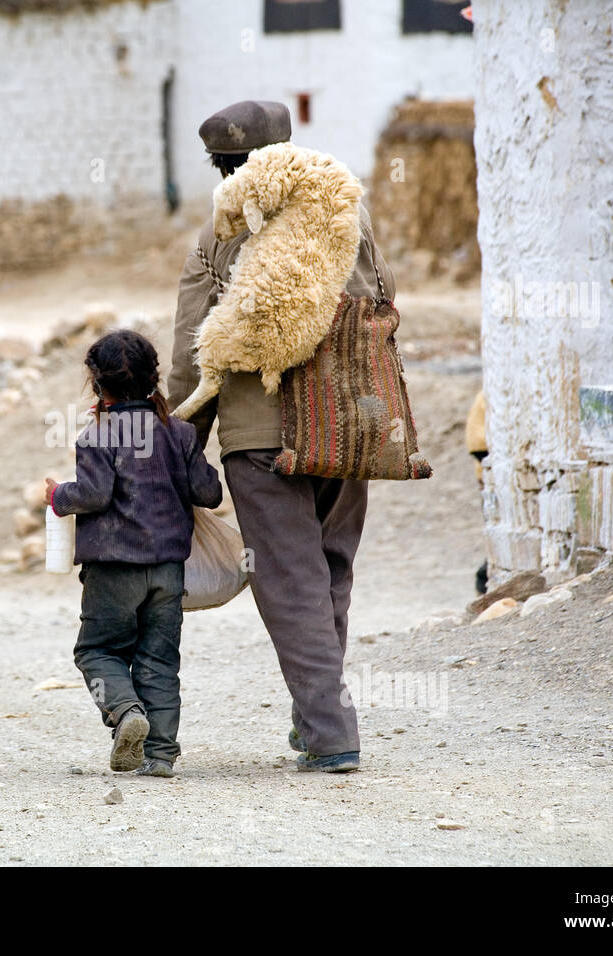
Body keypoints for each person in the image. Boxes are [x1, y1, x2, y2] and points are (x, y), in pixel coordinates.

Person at [168, 100, 396, 773]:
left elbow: (191, 350)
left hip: (261, 436)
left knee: (290, 580)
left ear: (220, 167)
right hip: (351, 421)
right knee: (330, 570)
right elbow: (383, 299)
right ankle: (315, 718)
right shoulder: (346, 212)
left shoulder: (218, 237)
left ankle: (330, 733)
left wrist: (181, 442)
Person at [45, 329, 222, 778]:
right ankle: (159, 754)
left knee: (98, 651)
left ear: (96, 383)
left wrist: (58, 495)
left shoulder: (95, 436)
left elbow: (94, 493)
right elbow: (209, 492)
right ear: (153, 378)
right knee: (159, 659)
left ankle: (125, 712)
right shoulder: (179, 433)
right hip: (167, 569)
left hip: (112, 571)